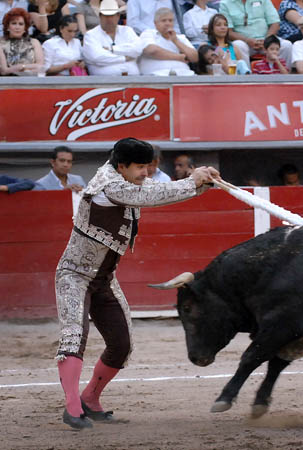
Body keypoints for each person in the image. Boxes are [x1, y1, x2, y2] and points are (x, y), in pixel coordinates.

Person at [54, 137, 220, 430]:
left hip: (104, 280)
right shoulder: (109, 185)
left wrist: (202, 183)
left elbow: (154, 190)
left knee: (122, 345)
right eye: (140, 167)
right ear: (122, 166)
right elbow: (149, 195)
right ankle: (72, 408)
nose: (146, 172)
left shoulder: (126, 180)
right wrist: (192, 182)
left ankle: (90, 398)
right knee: (73, 338)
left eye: (148, 166)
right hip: (75, 276)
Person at [218, 0, 293, 68]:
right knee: (238, 45)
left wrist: (267, 41)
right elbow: (228, 31)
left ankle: (284, 75)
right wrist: (247, 40)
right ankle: (245, 75)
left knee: (286, 45)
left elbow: (275, 23)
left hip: (267, 39)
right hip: (244, 41)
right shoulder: (225, 3)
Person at [82, 0, 142, 76]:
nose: (109, 19)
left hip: (133, 80)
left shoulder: (127, 30)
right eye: (106, 16)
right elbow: (98, 57)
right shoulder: (90, 35)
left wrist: (112, 49)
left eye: (112, 15)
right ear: (100, 16)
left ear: (118, 16)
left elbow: (138, 49)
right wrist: (124, 58)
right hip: (104, 81)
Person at [139, 7, 197, 76]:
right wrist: (180, 57)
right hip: (157, 75)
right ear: (155, 23)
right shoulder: (149, 33)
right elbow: (152, 51)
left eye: (170, 20)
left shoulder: (180, 37)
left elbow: (195, 57)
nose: (167, 23)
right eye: (163, 20)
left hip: (184, 75)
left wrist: (176, 41)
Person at [0, 7, 44, 75]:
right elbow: (4, 71)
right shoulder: (1, 43)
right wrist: (26, 68)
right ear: (7, 27)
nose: (17, 27)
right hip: (8, 80)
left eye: (21, 24)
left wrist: (21, 67)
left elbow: (40, 66)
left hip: (32, 79)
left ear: (25, 28)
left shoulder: (34, 42)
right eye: (14, 23)